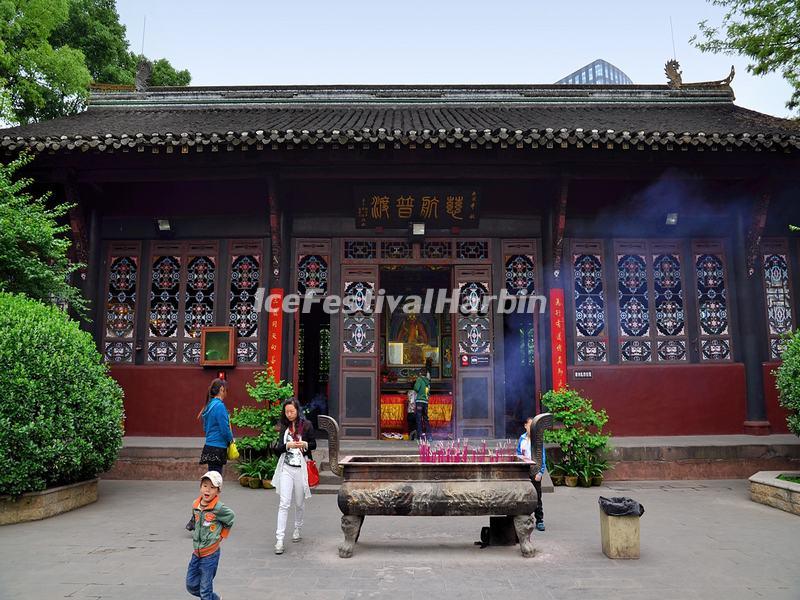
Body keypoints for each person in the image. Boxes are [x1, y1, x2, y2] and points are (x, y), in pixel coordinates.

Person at [187, 378, 233, 532]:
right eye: (225, 389)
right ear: (221, 390)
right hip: (218, 447)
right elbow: (225, 428)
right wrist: (230, 440)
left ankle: (202, 516)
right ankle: (197, 518)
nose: (226, 392)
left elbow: (206, 427)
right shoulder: (219, 406)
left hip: (209, 446)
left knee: (210, 483)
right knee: (213, 485)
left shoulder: (208, 406)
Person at [272, 398, 317, 555]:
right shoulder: (284, 426)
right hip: (286, 467)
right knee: (284, 503)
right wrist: (287, 446)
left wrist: (303, 444)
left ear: (298, 410)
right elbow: (277, 449)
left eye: (292, 411)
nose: (289, 414)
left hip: (301, 468)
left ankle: (297, 528)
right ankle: (279, 539)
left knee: (299, 503)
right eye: (286, 412)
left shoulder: (306, 425)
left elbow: (313, 444)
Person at [186, 471, 235, 600]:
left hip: (210, 554)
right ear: (200, 487)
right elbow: (196, 520)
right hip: (197, 552)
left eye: (212, 487)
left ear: (218, 491)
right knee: (191, 585)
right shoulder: (195, 505)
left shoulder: (219, 508)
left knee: (205, 589)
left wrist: (222, 535)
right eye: (205, 486)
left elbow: (231, 517)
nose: (207, 490)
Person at [517, 416, 546, 531]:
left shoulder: (538, 439)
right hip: (524, 470)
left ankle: (539, 520)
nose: (532, 428)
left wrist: (540, 472)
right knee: (523, 495)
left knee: (537, 496)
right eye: (530, 425)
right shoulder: (522, 439)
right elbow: (518, 454)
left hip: (535, 470)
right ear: (525, 426)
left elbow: (542, 457)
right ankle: (525, 519)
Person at [413, 358, 432, 440]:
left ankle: (420, 435)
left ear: (420, 373)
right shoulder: (428, 382)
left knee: (418, 418)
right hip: (425, 402)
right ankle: (429, 436)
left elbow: (416, 388)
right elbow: (428, 392)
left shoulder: (419, 379)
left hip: (419, 401)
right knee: (426, 418)